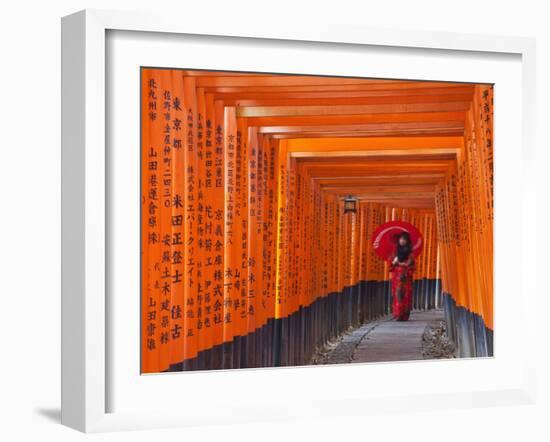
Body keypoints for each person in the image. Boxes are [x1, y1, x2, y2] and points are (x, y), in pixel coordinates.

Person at [389, 231, 415, 321]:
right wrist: (393, 262)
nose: (402, 241)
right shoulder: (395, 251)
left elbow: (410, 264)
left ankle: (404, 314)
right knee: (397, 294)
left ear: (407, 241)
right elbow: (390, 263)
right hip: (396, 276)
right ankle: (398, 313)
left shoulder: (410, 252)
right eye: (401, 239)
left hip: (405, 277)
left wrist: (399, 263)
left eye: (404, 239)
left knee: (404, 295)